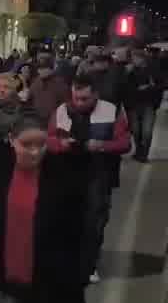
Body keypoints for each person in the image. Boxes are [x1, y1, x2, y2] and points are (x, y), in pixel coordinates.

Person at [0, 113, 88, 303]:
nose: (36, 152)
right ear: (11, 140)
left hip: (48, 283)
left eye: (41, 144)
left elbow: (74, 231)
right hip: (5, 281)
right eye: (27, 145)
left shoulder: (62, 178)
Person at [48, 75, 131, 285]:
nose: (80, 103)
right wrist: (61, 144)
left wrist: (102, 146)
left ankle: (89, 263)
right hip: (67, 173)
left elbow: (125, 143)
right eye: (76, 98)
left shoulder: (111, 110)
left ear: (95, 94)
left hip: (98, 174)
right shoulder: (61, 111)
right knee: (67, 219)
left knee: (94, 220)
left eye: (85, 99)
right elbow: (48, 140)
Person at [126, 49, 159, 162]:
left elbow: (161, 84)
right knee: (136, 131)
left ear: (142, 58)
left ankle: (144, 154)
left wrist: (150, 87)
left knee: (147, 131)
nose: (133, 60)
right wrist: (127, 73)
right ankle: (139, 151)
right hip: (134, 104)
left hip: (149, 104)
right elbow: (124, 86)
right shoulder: (130, 71)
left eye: (135, 58)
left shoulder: (153, 69)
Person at [29, 59, 71, 125]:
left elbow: (66, 102)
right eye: (39, 68)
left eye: (45, 68)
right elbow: (30, 98)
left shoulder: (60, 83)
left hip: (55, 121)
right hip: (38, 120)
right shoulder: (35, 82)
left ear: (51, 69)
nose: (42, 71)